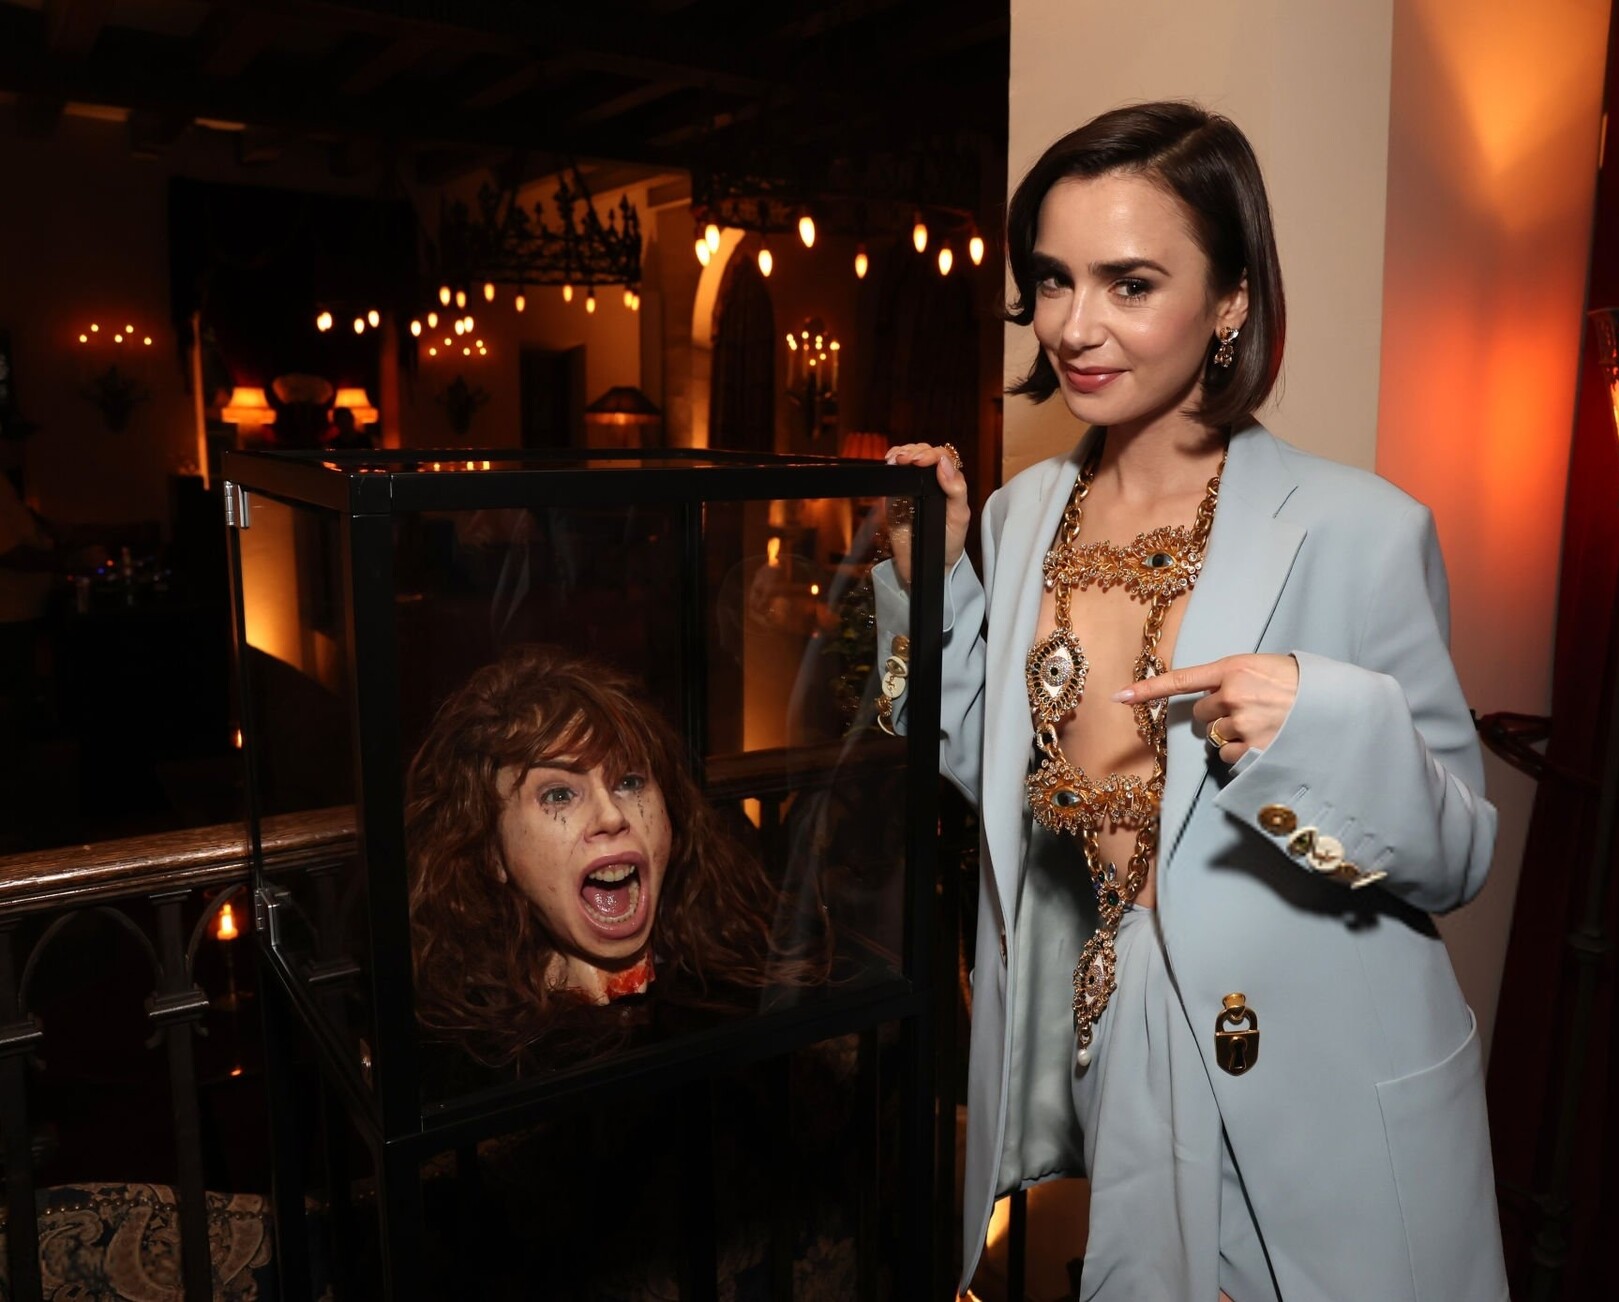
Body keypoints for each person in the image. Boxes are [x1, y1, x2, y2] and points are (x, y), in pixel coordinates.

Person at [875, 103, 1504, 1300]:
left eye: (1129, 283)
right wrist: (930, 587)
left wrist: (1318, 726)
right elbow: (984, 766)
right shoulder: (1017, 516)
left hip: (1318, 1080)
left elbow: (1459, 854)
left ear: (1230, 300)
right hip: (1110, 1047)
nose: (1075, 325)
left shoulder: (1358, 529)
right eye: (1053, 279)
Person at [406, 644, 822, 1072]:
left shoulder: (738, 986)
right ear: (492, 850)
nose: (611, 815)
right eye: (559, 795)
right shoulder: (469, 1055)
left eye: (629, 781)